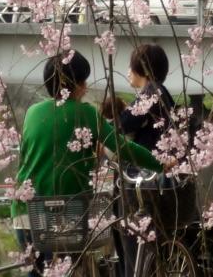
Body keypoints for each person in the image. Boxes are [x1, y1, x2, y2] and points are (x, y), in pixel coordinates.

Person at [12, 52, 163, 275]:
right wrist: (160, 163)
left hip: (26, 212)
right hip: (65, 213)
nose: (86, 86)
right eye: (83, 80)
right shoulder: (86, 113)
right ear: (76, 84)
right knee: (68, 268)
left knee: (36, 272)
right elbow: (122, 147)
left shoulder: (32, 112)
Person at [113, 43, 177, 277]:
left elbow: (121, 125)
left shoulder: (151, 93)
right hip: (157, 181)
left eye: (131, 66)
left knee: (133, 246)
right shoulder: (161, 92)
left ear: (142, 69)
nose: (128, 72)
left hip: (142, 182)